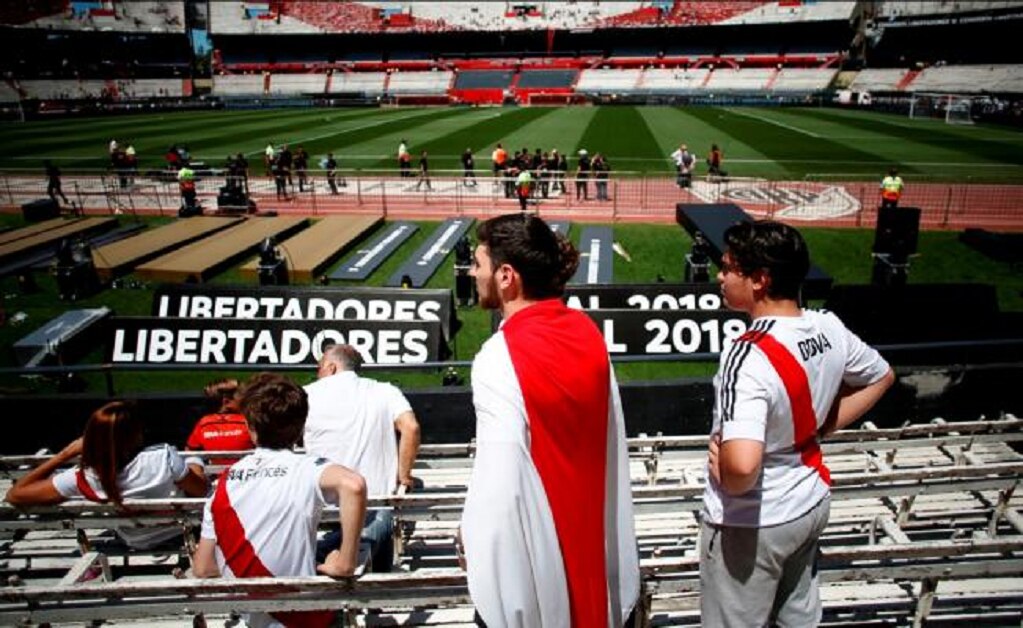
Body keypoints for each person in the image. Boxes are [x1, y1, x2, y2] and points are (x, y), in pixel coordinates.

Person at [701, 220, 895, 627]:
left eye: (727, 267)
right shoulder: (828, 325)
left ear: (759, 279)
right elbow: (882, 376)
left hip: (754, 521)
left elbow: (741, 467)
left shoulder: (746, 356)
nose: (719, 277)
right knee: (799, 617)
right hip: (809, 502)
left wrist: (726, 473)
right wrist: (822, 427)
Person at [461, 214, 640, 627]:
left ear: (507, 276)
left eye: (478, 263)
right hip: (594, 554)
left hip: (535, 581)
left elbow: (500, 489)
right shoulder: (587, 332)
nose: (472, 273)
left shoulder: (496, 356)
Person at [193, 373, 368, 628]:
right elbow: (354, 485)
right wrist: (344, 563)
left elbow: (204, 568)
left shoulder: (223, 485)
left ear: (251, 428)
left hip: (251, 617)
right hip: (303, 617)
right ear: (301, 427)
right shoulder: (308, 468)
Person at [5, 401, 208, 549]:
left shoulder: (84, 477)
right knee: (194, 459)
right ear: (135, 434)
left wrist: (63, 455)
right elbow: (201, 491)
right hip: (178, 533)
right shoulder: (163, 457)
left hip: (133, 540)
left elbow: (15, 495)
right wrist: (194, 462)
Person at [304, 344, 421, 571]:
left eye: (319, 367)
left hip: (321, 501)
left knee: (377, 521)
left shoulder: (306, 394)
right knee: (383, 515)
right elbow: (412, 428)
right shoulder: (386, 390)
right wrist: (404, 477)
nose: (318, 373)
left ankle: (331, 553)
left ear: (331, 367)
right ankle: (376, 582)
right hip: (374, 499)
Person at [186, 378, 253, 466]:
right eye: (242, 395)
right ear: (227, 402)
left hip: (215, 477)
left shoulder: (203, 424)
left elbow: (189, 453)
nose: (246, 399)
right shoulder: (248, 422)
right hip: (246, 477)